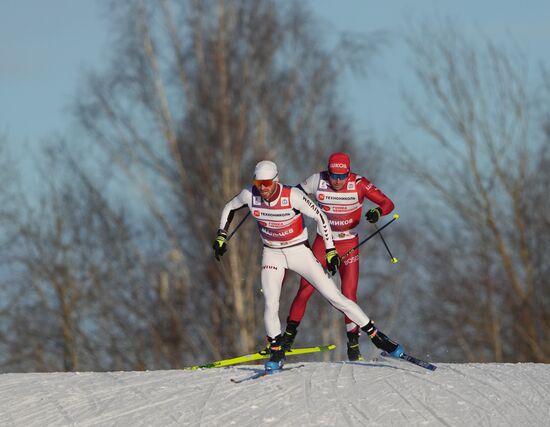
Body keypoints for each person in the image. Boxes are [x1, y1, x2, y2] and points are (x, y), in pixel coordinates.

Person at [212, 160, 403, 372]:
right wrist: (222, 235)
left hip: (299, 252)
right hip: (272, 253)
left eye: (266, 183)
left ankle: (378, 337)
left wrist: (330, 250)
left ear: (276, 181)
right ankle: (276, 350)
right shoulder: (249, 195)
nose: (262, 188)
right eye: (259, 183)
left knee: (336, 297)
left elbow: (320, 217)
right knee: (271, 301)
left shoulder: (293, 196)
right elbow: (229, 207)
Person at [282, 152, 395, 361]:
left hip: (349, 244)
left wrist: (377, 212)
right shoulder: (317, 180)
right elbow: (291, 197)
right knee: (306, 289)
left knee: (348, 295)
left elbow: (388, 204)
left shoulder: (360, 184)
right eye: (334, 175)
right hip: (322, 243)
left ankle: (353, 347)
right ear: (328, 171)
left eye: (342, 176)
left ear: (349, 173)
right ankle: (287, 338)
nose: (337, 181)